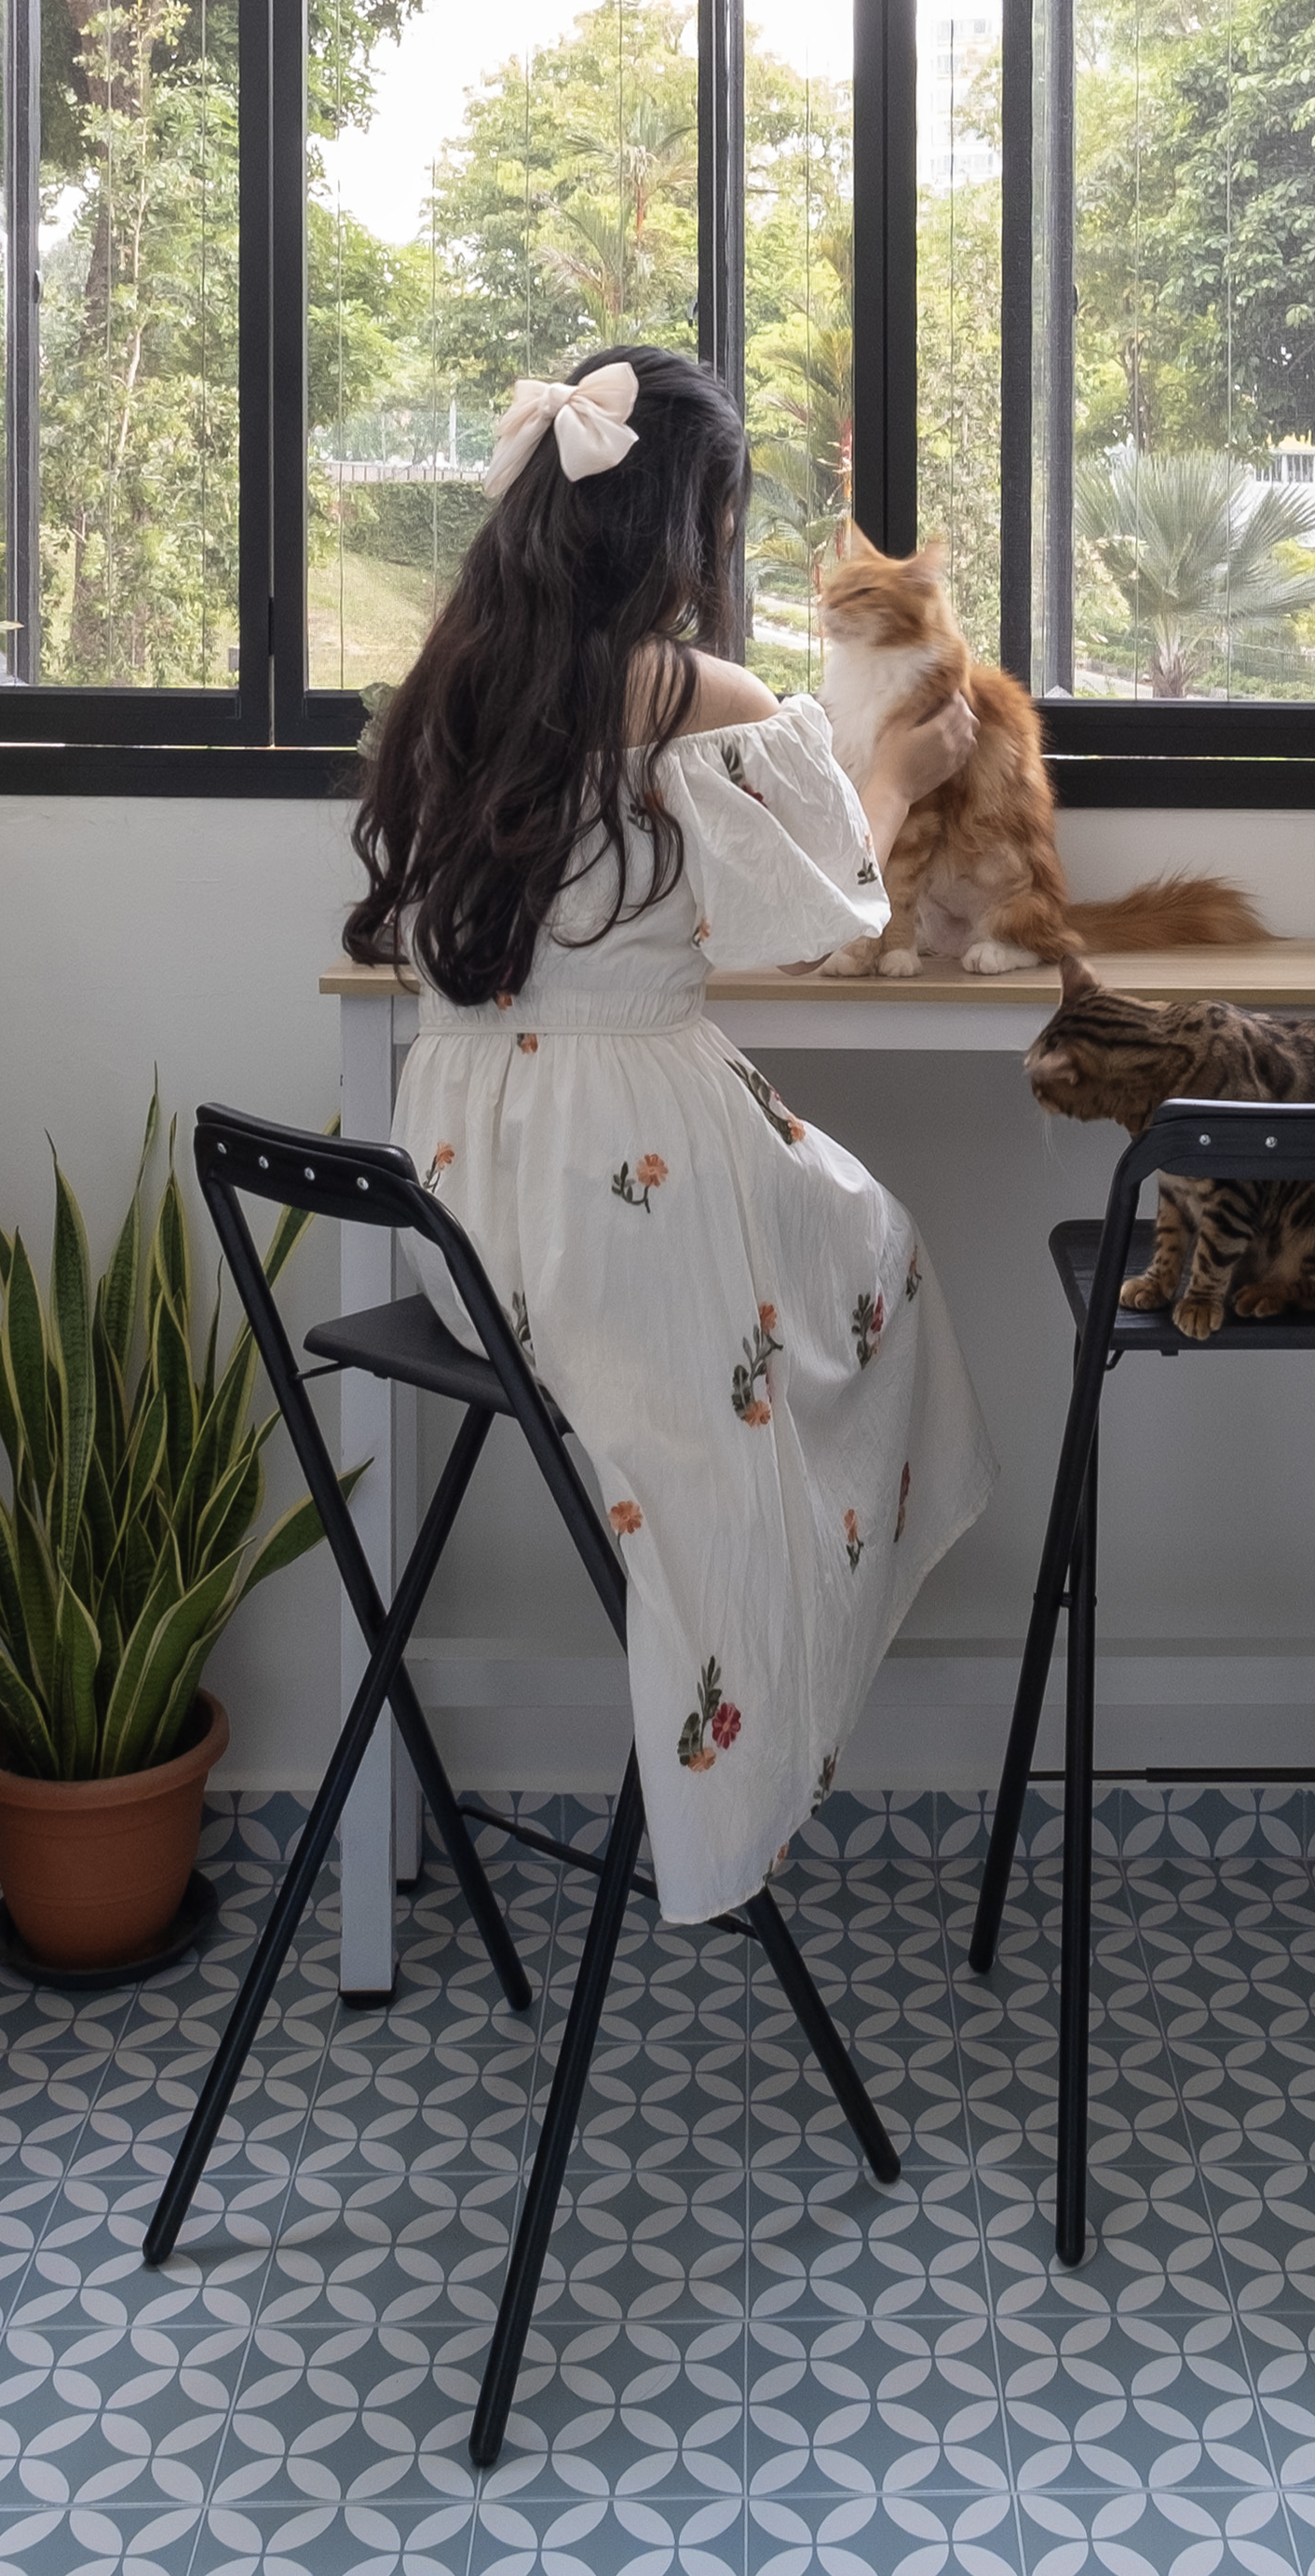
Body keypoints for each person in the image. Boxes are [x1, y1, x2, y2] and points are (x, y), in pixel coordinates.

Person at [343, 340, 994, 1923]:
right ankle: (767, 1699)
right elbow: (807, 912)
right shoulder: (699, 695)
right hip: (614, 1174)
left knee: (808, 1266)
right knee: (879, 1263)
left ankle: (734, 1678)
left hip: (462, 1211)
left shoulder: (453, 683)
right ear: (680, 528)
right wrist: (899, 769)